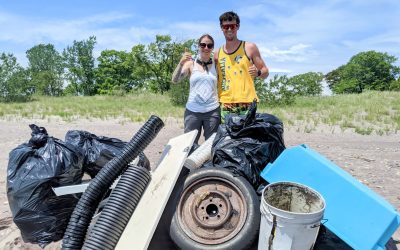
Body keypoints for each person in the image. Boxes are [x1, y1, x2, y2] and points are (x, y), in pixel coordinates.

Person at [214, 11, 269, 123]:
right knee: (228, 138)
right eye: (226, 26)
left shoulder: (249, 47)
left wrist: (258, 72)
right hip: (225, 103)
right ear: (221, 28)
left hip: (247, 102)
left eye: (232, 26)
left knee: (247, 137)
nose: (229, 29)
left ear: (238, 26)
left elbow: (265, 72)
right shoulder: (217, 53)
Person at [171, 34, 220, 145]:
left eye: (209, 45)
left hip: (212, 111)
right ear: (198, 46)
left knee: (212, 144)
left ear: (212, 47)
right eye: (203, 45)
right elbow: (175, 80)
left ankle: (209, 163)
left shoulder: (217, 66)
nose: (206, 48)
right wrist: (181, 63)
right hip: (192, 111)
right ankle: (189, 163)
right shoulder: (190, 64)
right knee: (189, 144)